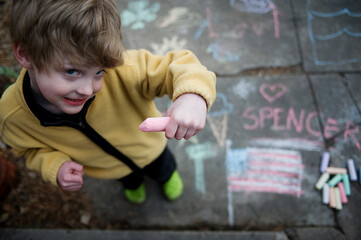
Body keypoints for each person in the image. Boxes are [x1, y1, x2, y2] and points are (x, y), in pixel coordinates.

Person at [0, 0, 216, 204]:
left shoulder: (123, 71)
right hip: (108, 169)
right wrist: (54, 165)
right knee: (129, 178)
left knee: (163, 168)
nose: (88, 89)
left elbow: (179, 66)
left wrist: (192, 95)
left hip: (151, 149)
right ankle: (133, 184)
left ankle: (166, 177)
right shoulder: (12, 116)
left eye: (99, 72)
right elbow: (30, 150)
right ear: (26, 54)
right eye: (72, 71)